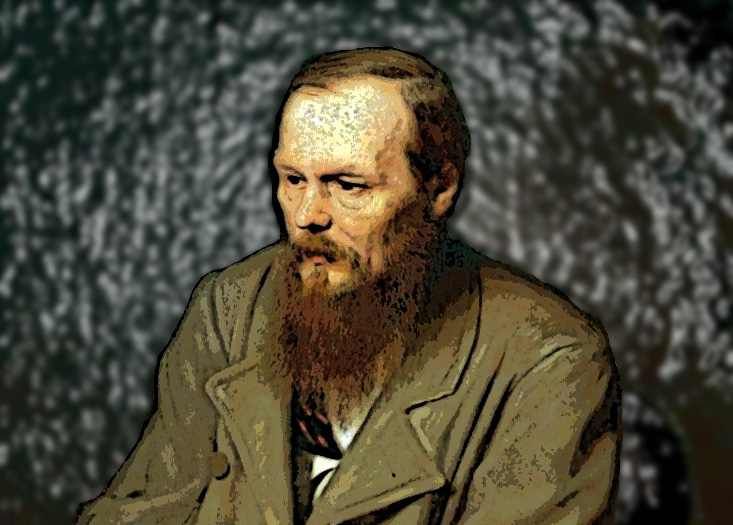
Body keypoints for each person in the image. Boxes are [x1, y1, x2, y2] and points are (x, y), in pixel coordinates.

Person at [76, 47, 621, 525]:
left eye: (348, 185)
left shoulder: (548, 359)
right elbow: (140, 511)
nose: (307, 215)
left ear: (439, 187)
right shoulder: (231, 307)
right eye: (293, 180)